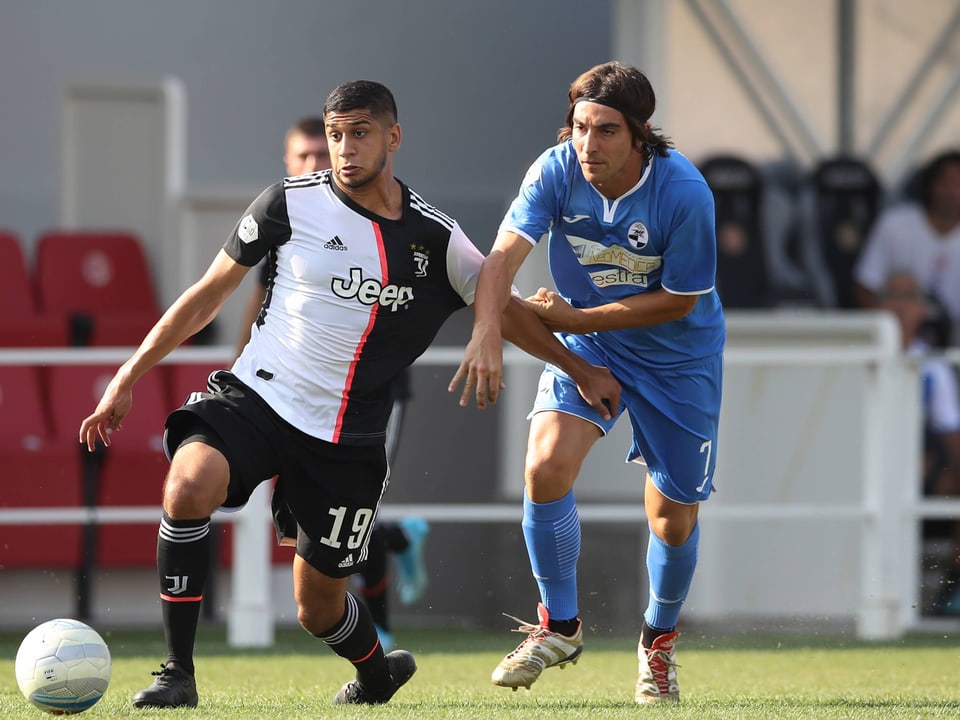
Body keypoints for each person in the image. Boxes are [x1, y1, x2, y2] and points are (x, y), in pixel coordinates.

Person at [79, 79, 620, 709]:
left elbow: (508, 308)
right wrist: (127, 376)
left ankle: (375, 673)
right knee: (188, 483)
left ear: (393, 137)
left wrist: (579, 370)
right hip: (259, 397)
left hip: (348, 438)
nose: (344, 149)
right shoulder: (287, 203)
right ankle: (177, 672)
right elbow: (208, 292)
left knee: (318, 607)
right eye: (336, 135)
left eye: (359, 133)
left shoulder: (434, 239)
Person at [451, 61, 725, 704]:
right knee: (545, 468)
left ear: (639, 134)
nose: (588, 144)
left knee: (673, 519)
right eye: (580, 128)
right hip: (590, 343)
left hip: (678, 359)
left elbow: (681, 300)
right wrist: (486, 332)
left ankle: (657, 643)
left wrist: (573, 315)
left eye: (605, 131)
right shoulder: (555, 170)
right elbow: (500, 261)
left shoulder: (685, 192)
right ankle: (560, 627)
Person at [233, 116, 431, 652]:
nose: (317, 164)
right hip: (291, 396)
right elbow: (258, 306)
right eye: (304, 157)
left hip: (369, 397)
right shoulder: (287, 218)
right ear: (287, 162)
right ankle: (398, 540)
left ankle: (379, 626)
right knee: (315, 521)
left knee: (358, 510)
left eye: (323, 153)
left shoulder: (380, 217)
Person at [878, 269, 960, 614]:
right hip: (868, 469)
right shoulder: (857, 356)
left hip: (923, 475)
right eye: (892, 296)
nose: (900, 306)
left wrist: (944, 468)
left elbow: (951, 437)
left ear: (923, 310)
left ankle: (951, 589)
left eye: (908, 296)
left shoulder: (932, 367)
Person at [853, 149, 960, 346]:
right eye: (947, 183)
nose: (953, 192)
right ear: (931, 185)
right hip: (897, 341)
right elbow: (865, 287)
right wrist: (890, 329)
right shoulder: (895, 225)